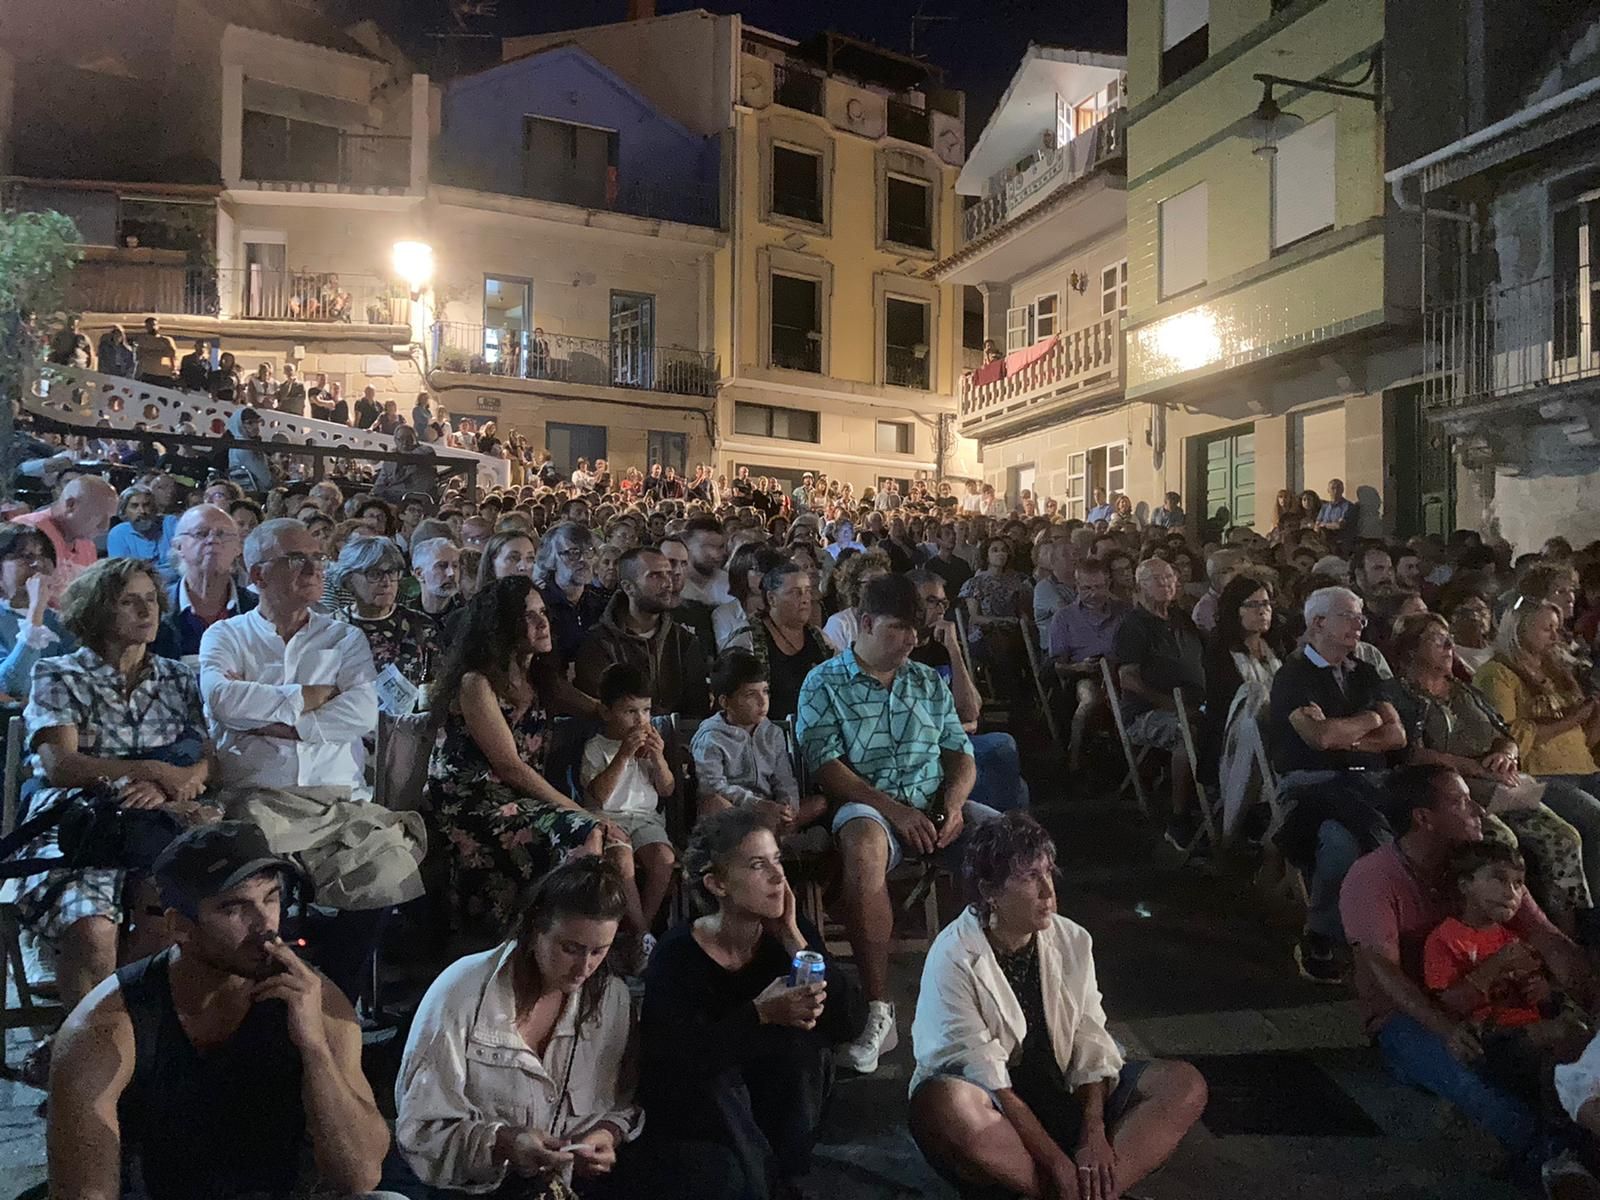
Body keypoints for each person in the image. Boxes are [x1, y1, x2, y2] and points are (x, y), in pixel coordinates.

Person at [47, 821, 396, 1200]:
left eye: (272, 898)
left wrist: (314, 1048)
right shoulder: (105, 1028)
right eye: (235, 908)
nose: (265, 924)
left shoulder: (313, 998)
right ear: (181, 927)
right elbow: (85, 1191)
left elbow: (360, 1176)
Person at [909, 813, 1207, 1199]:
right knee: (946, 1106)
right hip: (1000, 1112)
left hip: (1061, 1097)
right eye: (1030, 878)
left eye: (1048, 873)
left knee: (1183, 1085)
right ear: (990, 892)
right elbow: (988, 1076)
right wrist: (1056, 1162)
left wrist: (1094, 1132)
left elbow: (1090, 1037)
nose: (1048, 892)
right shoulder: (954, 957)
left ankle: (1095, 1191)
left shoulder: (1072, 939)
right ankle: (1068, 1189)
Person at [1340, 766, 1592, 1175]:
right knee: (1471, 1078)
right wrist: (1445, 1027)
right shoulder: (1373, 877)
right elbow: (1383, 970)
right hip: (1406, 1017)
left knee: (1568, 1053)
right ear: (1424, 818)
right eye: (1459, 802)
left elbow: (1546, 936)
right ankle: (1554, 1161)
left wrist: (1589, 995)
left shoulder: (1481, 870)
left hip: (1494, 1007)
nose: (1477, 808)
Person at [798, 572, 995, 1075]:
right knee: (863, 843)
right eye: (898, 628)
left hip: (934, 803)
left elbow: (960, 753)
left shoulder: (926, 681)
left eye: (915, 630)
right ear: (865, 622)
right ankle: (878, 1009)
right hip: (871, 807)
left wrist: (952, 804)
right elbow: (826, 766)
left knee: (1012, 842)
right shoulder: (825, 682)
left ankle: (998, 993)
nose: (910, 640)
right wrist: (895, 810)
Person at [4, 556, 215, 1019]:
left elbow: (203, 758)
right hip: (80, 825)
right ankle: (86, 1051)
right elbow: (61, 765)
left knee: (164, 914)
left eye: (151, 601)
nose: (147, 611)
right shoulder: (59, 673)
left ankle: (134, 1045)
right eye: (129, 602)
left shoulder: (178, 677)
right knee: (92, 929)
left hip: (158, 821)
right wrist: (153, 771)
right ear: (99, 611)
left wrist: (167, 786)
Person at [637, 807, 865, 1199]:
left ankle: (787, 1175)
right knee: (718, 1081)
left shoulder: (787, 937)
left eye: (777, 860)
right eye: (759, 865)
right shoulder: (677, 955)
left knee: (805, 1046)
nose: (778, 878)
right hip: (704, 1119)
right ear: (718, 884)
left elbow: (849, 1024)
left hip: (775, 1106)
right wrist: (759, 1014)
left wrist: (796, 940)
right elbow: (671, 1068)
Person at [393, 857, 641, 1197]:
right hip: (466, 1189)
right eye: (570, 949)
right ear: (536, 928)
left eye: (599, 951)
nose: (585, 967)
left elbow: (621, 1101)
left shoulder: (611, 998)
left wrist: (604, 1135)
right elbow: (420, 1130)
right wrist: (504, 1143)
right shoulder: (462, 991)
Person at [1387, 611, 1600, 933]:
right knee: (1504, 842)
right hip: (1454, 791)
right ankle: (1502, 936)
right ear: (1411, 650)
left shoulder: (1464, 690)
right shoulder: (1399, 695)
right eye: (1436, 639)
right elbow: (1411, 753)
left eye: (1449, 638)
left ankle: (1570, 934)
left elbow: (1506, 734)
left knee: (1565, 837)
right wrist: (1470, 766)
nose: (1449, 645)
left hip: (1500, 784)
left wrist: (1506, 752)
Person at [426, 577, 610, 931]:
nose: (543, 623)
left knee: (616, 843)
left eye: (543, 612)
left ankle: (623, 943)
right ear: (501, 626)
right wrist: (576, 809)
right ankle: (564, 935)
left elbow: (599, 711)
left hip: (518, 799)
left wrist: (635, 719)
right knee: (586, 831)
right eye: (529, 616)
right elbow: (509, 767)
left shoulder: (542, 679)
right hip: (475, 804)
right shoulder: (476, 683)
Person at [1269, 586, 1407, 982]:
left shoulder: (1363, 671)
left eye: (1361, 616)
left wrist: (1349, 735)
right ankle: (1321, 933)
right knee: (1340, 843)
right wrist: (1369, 721)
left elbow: (1398, 735)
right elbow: (1322, 740)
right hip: (1313, 784)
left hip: (1370, 780)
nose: (1359, 624)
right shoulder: (1294, 676)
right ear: (1318, 623)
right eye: (1349, 616)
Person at [199, 519, 377, 795]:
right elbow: (222, 700)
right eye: (296, 559)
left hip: (342, 795)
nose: (314, 568)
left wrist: (279, 726)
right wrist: (312, 696)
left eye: (318, 557)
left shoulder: (345, 637)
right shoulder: (225, 635)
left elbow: (363, 712)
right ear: (259, 575)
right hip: (255, 795)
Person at [1422, 842, 1589, 1115]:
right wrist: (1497, 964)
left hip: (1534, 1030)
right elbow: (1446, 1005)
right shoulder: (1445, 939)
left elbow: (1542, 1003)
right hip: (1492, 1039)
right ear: (1465, 885)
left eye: (1518, 883)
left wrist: (1543, 992)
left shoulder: (1511, 939)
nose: (1510, 892)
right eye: (1498, 879)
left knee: (1576, 1036)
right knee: (1562, 1040)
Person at [579, 663, 677, 944]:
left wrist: (658, 759)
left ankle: (641, 931)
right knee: (622, 861)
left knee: (664, 858)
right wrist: (623, 755)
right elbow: (597, 796)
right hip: (608, 820)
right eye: (630, 712)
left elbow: (667, 789)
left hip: (646, 819)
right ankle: (643, 934)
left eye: (646, 711)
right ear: (607, 712)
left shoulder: (651, 746)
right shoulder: (596, 747)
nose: (640, 721)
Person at [1113, 558, 1207, 850]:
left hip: (1197, 704)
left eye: (1169, 577)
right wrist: (1172, 706)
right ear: (1140, 586)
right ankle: (1179, 818)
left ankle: (1224, 806)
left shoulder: (1182, 618)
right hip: (1148, 712)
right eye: (1157, 579)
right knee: (1186, 733)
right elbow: (1128, 679)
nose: (1166, 583)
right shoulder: (1134, 625)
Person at [692, 649, 825, 834]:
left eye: (765, 691)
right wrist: (757, 805)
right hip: (737, 809)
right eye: (750, 695)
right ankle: (776, 839)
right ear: (725, 701)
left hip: (770, 808)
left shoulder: (772, 733)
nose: (762, 701)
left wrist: (788, 807)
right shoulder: (712, 737)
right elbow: (712, 786)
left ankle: (781, 832)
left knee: (819, 803)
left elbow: (784, 779)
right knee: (714, 803)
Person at [574, 547, 710, 718]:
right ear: (628, 588)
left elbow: (697, 711)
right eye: (654, 575)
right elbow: (604, 714)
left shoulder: (684, 642)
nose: (667, 583)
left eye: (667, 574)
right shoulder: (599, 644)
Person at [1048, 559, 1127, 772]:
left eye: (1099, 587)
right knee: (1089, 699)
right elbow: (1058, 665)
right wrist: (1081, 666)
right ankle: (1075, 758)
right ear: (1077, 587)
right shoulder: (1064, 617)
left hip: (1122, 673)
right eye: (1087, 588)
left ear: (1108, 583)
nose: (1094, 594)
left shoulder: (1124, 612)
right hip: (1084, 675)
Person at [332, 535, 433, 695]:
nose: (387, 582)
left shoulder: (420, 624)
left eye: (392, 573)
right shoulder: (331, 628)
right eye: (374, 574)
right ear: (349, 580)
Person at [153, 505, 255, 660]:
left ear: (238, 548)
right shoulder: (156, 609)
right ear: (178, 546)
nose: (212, 540)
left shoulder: (257, 610)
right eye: (201, 533)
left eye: (221, 534)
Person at [748, 561, 832, 722]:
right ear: (772, 598)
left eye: (807, 591)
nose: (805, 599)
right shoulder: (749, 638)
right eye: (795, 592)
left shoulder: (818, 637)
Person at [16, 474, 118, 603]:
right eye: (99, 516)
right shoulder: (26, 531)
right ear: (71, 505)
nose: (105, 526)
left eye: (109, 518)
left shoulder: (87, 544)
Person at [0, 523, 67, 699]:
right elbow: (11, 686)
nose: (37, 563)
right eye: (25, 556)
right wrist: (35, 610)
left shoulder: (60, 621)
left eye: (44, 555)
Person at [536, 520, 607, 666]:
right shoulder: (539, 605)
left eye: (588, 552)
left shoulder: (602, 603)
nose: (583, 560)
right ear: (551, 559)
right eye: (572, 553)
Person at [822, 548, 891, 654]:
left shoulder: (893, 619)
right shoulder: (839, 623)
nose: (881, 589)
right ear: (856, 587)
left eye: (885, 582)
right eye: (873, 582)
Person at [106, 484, 175, 569]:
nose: (142, 511)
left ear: (154, 508)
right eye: (134, 506)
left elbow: (183, 564)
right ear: (124, 511)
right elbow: (123, 573)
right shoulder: (118, 534)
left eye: (146, 505)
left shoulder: (170, 524)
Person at [372, 424, 444, 504]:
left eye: (409, 438)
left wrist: (399, 456)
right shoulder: (390, 459)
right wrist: (371, 496)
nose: (405, 442)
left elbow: (412, 456)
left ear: (416, 439)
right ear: (395, 440)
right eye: (401, 439)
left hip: (417, 498)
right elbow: (380, 482)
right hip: (391, 498)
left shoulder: (426, 451)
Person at [226, 406, 273, 494]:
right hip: (258, 492)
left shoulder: (236, 444)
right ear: (240, 425)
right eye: (250, 423)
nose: (255, 426)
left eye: (257, 422)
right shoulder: (244, 448)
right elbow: (265, 480)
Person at [132, 316, 178, 386]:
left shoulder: (166, 340)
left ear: (158, 326)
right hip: (146, 373)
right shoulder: (142, 340)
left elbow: (172, 354)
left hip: (164, 374)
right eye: (149, 325)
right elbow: (138, 355)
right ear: (146, 327)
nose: (152, 327)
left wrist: (174, 369)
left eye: (154, 325)